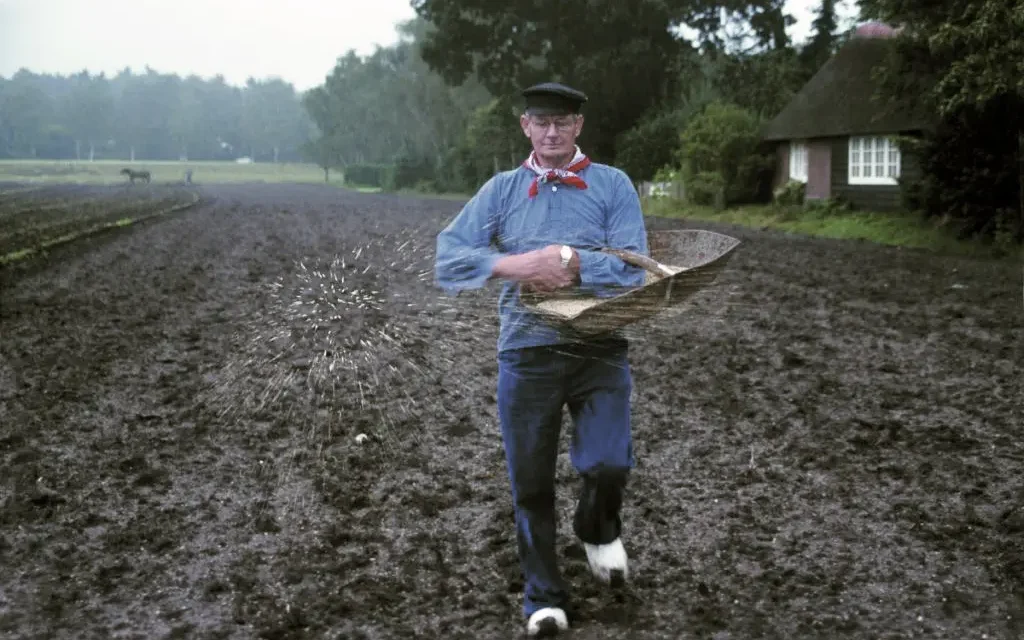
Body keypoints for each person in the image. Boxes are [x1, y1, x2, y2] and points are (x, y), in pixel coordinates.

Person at [434, 81, 649, 637]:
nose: (552, 132)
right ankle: (544, 599)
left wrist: (574, 265)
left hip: (600, 347)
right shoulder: (501, 191)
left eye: (562, 122)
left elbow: (633, 269)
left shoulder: (613, 185)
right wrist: (519, 266)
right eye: (541, 121)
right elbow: (449, 260)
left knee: (610, 464)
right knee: (530, 485)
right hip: (526, 354)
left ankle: (596, 526)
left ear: (578, 126)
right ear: (525, 126)